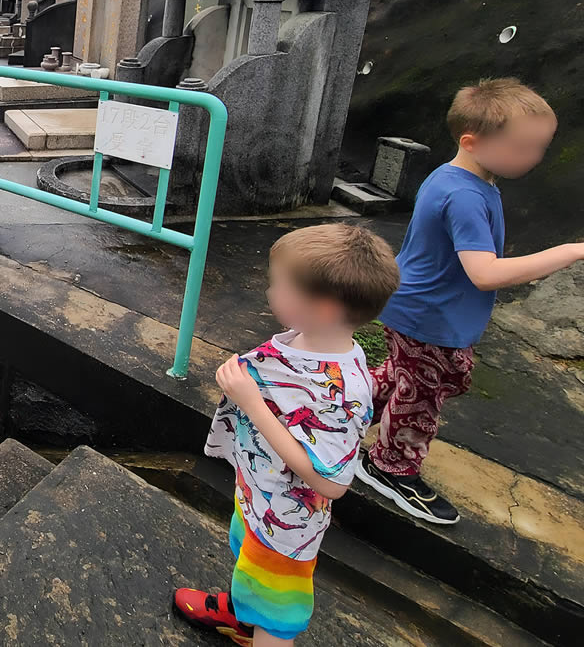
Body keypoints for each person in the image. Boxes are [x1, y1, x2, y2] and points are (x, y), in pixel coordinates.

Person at [357, 78, 583, 524]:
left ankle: (341, 410)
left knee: (409, 377)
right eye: (525, 148)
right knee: (422, 394)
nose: (535, 159)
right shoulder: (463, 194)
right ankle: (389, 466)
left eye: (541, 147)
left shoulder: (461, 177)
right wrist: (571, 251)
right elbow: (484, 273)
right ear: (472, 142)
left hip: (423, 308)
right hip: (429, 316)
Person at [175, 224, 401, 645]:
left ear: (326, 307)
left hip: (287, 526)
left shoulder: (344, 390)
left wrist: (251, 403)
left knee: (277, 613)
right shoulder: (309, 338)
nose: (269, 291)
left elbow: (331, 482)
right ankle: (242, 614)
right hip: (261, 495)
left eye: (279, 285)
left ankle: (258, 627)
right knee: (251, 561)